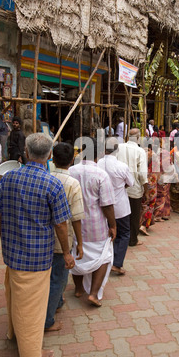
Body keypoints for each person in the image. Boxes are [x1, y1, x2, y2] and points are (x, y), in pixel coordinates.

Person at [0, 132, 74, 357]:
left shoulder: (8, 178)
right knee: (32, 308)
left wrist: (5, 239)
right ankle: (31, 356)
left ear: (26, 154)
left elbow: (0, 215)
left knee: (16, 296)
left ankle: (14, 335)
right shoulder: (52, 183)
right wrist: (68, 252)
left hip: (12, 253)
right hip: (37, 257)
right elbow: (61, 224)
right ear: (49, 155)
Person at [69, 138, 117, 307]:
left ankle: (78, 288)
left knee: (77, 254)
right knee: (104, 256)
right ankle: (94, 294)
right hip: (96, 225)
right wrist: (113, 225)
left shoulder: (71, 170)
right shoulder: (101, 174)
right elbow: (107, 204)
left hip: (75, 223)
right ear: (101, 154)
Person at [45, 143, 84, 332]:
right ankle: (47, 319)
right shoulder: (72, 183)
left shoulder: (45, 177)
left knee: (52, 275)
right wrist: (80, 244)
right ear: (72, 161)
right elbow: (76, 218)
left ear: (53, 157)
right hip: (63, 238)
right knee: (58, 278)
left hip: (44, 237)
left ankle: (57, 302)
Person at [97, 137, 134, 275]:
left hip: (102, 206)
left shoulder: (98, 164)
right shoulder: (121, 166)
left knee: (106, 234)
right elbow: (131, 183)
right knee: (124, 234)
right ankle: (117, 264)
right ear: (117, 150)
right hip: (120, 206)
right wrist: (119, 186)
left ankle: (103, 262)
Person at [116, 128, 148, 246]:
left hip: (120, 188)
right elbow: (142, 174)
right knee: (134, 215)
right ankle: (133, 239)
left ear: (127, 137)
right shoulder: (140, 151)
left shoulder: (119, 147)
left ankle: (120, 237)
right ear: (138, 138)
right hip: (134, 189)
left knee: (121, 214)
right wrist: (146, 190)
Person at [139, 144, 159, 236]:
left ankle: (142, 224)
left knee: (144, 204)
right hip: (149, 186)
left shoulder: (141, 159)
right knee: (149, 205)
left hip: (145, 185)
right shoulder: (154, 159)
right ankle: (143, 225)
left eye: (148, 151)